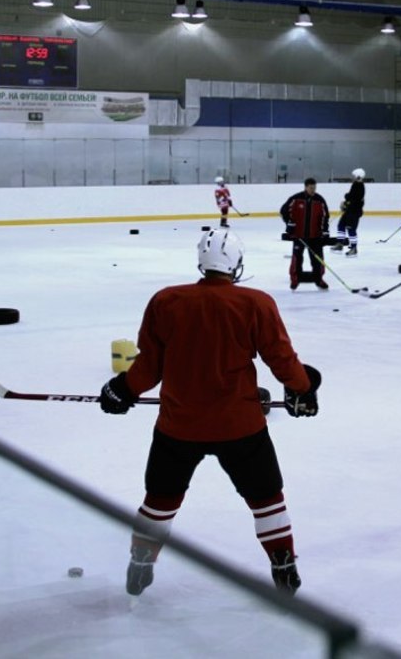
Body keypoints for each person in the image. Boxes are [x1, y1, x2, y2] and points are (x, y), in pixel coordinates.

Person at [99, 228, 321, 597]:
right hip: (242, 427)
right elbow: (282, 360)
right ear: (236, 265)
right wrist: (302, 390)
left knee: (160, 499)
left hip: (178, 427)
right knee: (267, 499)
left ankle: (140, 561)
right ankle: (283, 563)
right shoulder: (256, 303)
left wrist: (120, 390)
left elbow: (148, 368)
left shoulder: (166, 301)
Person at [280, 178, 331, 290]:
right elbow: (284, 211)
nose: (313, 190)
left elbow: (325, 216)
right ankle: (295, 279)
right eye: (311, 188)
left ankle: (319, 279)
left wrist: (325, 231)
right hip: (299, 236)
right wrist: (290, 224)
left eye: (314, 188)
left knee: (317, 259)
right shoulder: (296, 199)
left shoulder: (319, 200)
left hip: (315, 236)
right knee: (297, 258)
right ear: (306, 187)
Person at [337, 168, 366, 256]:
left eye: (354, 176)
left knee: (351, 229)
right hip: (349, 211)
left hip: (354, 212)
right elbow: (351, 198)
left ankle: (354, 248)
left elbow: (352, 198)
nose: (352, 177)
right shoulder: (355, 185)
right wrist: (346, 204)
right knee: (341, 225)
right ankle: (340, 243)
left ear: (358, 177)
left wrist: (346, 200)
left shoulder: (359, 186)